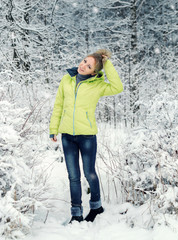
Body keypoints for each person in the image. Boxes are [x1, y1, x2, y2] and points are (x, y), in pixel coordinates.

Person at [49, 49, 123, 223]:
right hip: (67, 136)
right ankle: (76, 213)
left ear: (94, 72)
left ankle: (96, 206)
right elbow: (58, 105)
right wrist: (54, 128)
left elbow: (118, 87)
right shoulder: (67, 80)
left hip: (87, 136)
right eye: (84, 61)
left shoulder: (98, 86)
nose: (83, 66)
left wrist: (107, 64)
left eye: (89, 66)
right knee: (73, 176)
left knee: (89, 173)